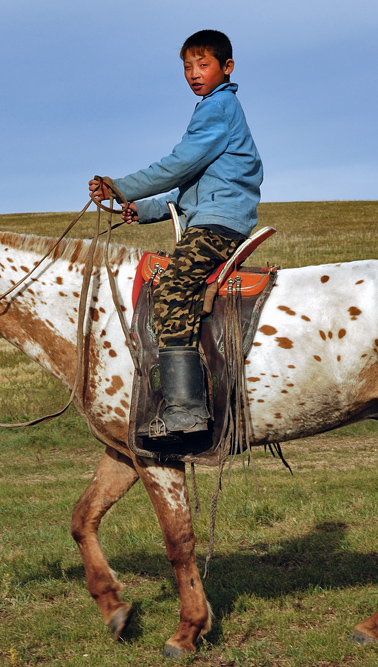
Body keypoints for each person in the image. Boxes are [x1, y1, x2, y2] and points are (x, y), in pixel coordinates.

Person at [90, 29, 262, 439]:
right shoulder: (215, 109)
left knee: (171, 290)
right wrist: (137, 209)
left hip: (218, 224)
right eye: (187, 66)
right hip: (212, 215)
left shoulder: (218, 107)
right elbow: (186, 191)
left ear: (227, 68)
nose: (194, 73)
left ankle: (186, 412)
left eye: (204, 65)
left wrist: (122, 186)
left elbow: (179, 165)